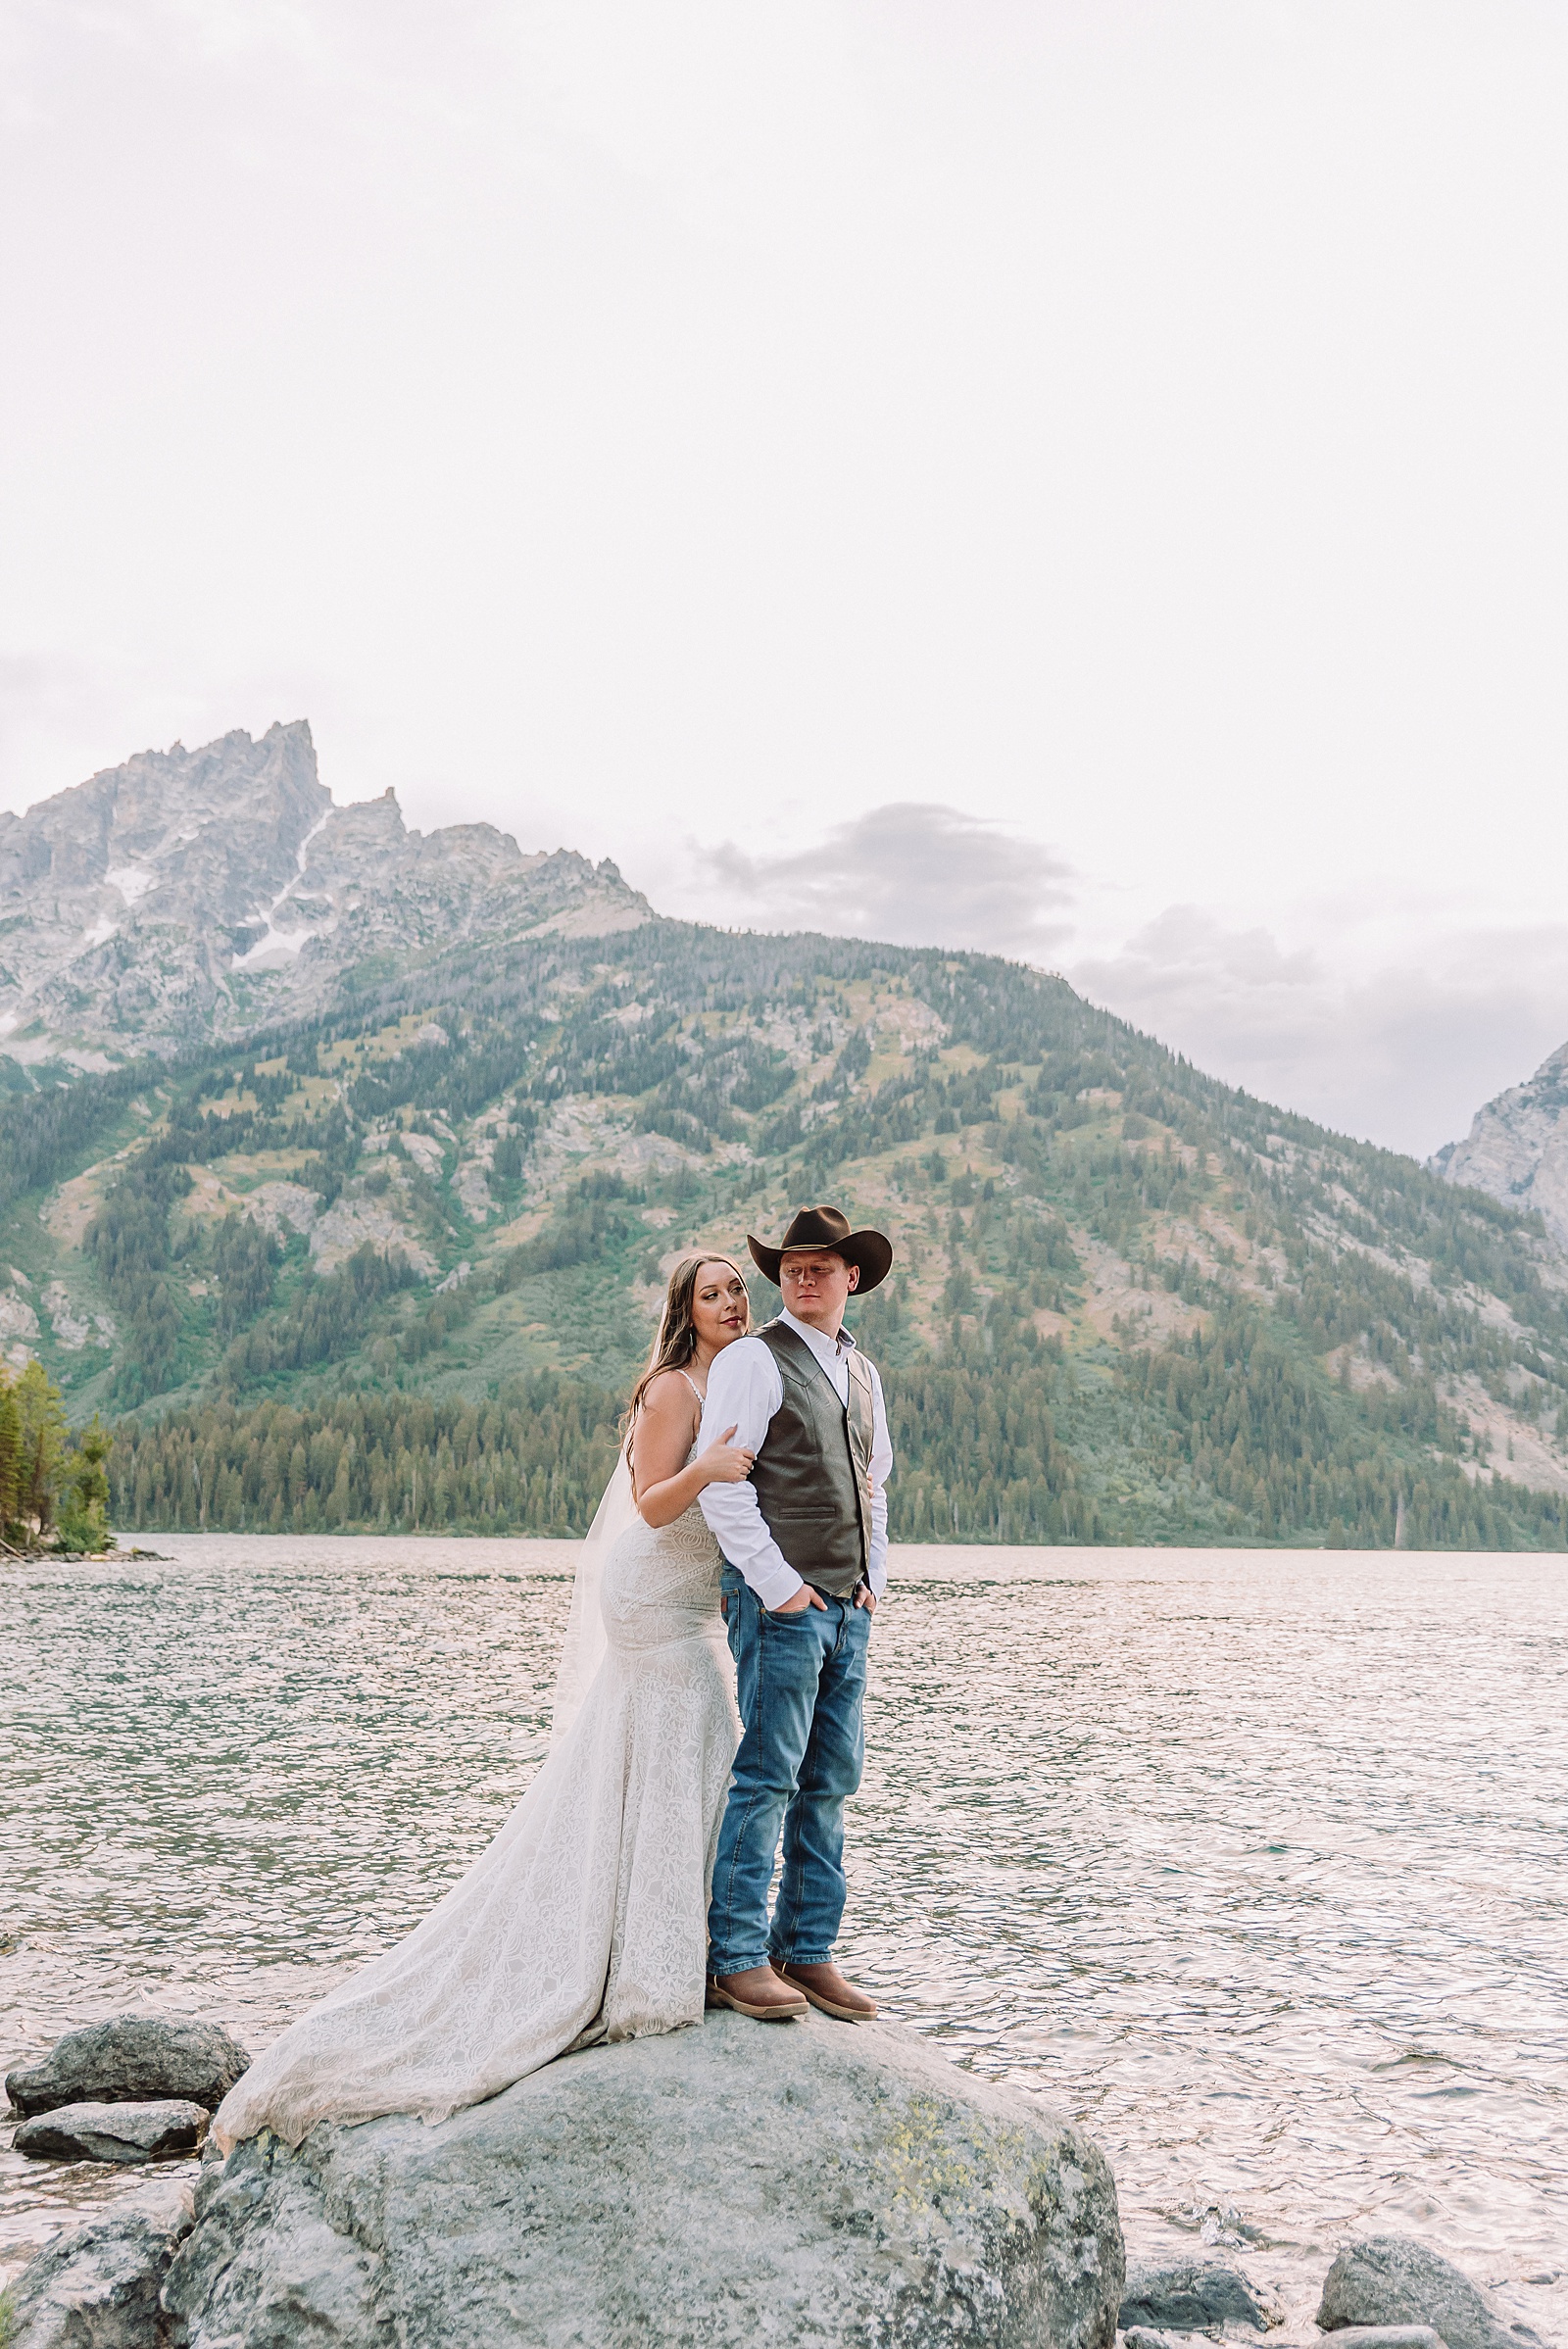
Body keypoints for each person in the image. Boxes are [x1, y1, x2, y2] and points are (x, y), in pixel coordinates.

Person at [211, 1254, 756, 2152]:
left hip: (694, 1598)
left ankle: (672, 1946)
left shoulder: (733, 1376)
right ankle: (649, 1966)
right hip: (653, 1591)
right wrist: (712, 1469)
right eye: (713, 1293)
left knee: (696, 1742)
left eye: (737, 1289)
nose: (731, 1301)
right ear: (684, 1311)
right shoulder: (670, 1390)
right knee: (690, 1728)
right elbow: (656, 1505)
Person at [698, 1204, 895, 2025]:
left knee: (830, 1783)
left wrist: (871, 1579)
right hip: (783, 1605)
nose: (804, 1275)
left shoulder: (864, 1372)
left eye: (822, 1265)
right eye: (792, 1264)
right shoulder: (754, 1357)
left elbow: (874, 1482)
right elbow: (722, 1483)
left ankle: (805, 1948)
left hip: (847, 1608)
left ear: (853, 1277)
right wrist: (778, 1584)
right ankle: (735, 1957)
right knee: (768, 1775)